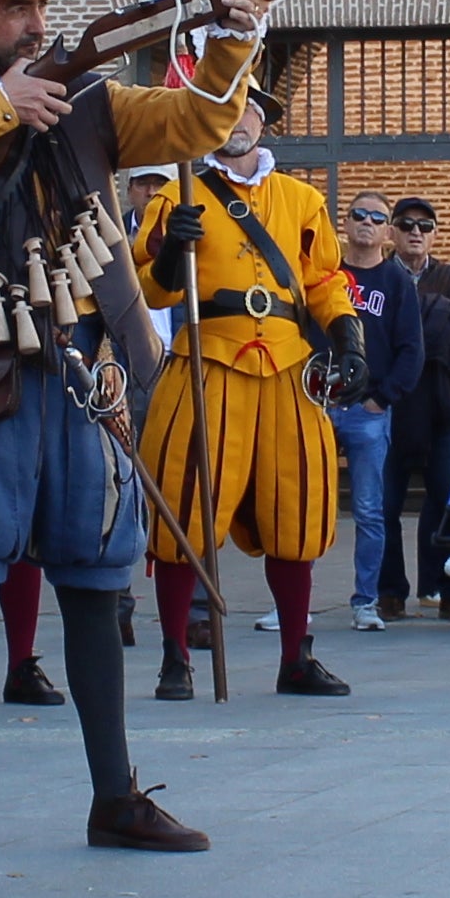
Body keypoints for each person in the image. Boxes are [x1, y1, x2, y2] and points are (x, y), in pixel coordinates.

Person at [0, 0, 284, 858]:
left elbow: (198, 121)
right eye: (17, 6)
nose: (35, 23)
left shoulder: (91, 100)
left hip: (78, 371)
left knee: (95, 588)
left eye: (39, 7)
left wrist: (235, 36)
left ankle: (114, 796)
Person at [139, 75, 367, 700]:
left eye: (247, 108)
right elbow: (150, 289)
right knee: (182, 509)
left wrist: (348, 337)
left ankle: (296, 655)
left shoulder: (300, 200)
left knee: (299, 511)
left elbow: (324, 281)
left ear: (263, 121)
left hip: (289, 368)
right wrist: (166, 257)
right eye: (223, 107)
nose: (236, 119)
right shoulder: (176, 195)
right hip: (207, 361)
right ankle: (176, 656)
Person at [331, 193, 426, 630]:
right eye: (359, 215)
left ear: (388, 231)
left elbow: (412, 350)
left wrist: (381, 398)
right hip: (320, 401)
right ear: (345, 223)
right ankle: (287, 603)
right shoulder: (326, 274)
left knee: (369, 510)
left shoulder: (396, 282)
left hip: (368, 409)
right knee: (300, 503)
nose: (366, 223)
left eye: (377, 218)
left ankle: (365, 600)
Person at [379, 197, 450, 616]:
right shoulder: (379, 276)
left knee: (449, 497)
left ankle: (449, 589)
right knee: (384, 502)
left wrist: (407, 323)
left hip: (440, 401)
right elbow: (377, 333)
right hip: (391, 402)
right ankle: (389, 590)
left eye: (425, 226)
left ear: (435, 234)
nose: (416, 232)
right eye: (407, 224)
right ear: (392, 231)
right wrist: (436, 312)